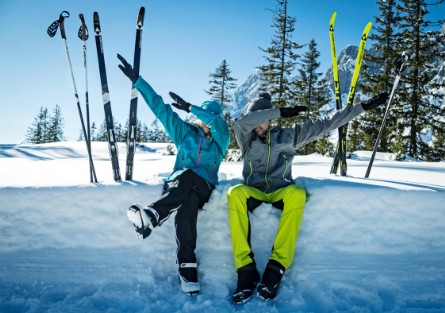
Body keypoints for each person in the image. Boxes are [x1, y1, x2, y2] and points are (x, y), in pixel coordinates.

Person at [227, 91, 389, 303]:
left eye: (262, 120)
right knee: (235, 193)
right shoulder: (245, 136)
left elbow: (326, 123)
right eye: (255, 119)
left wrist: (361, 108)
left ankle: (276, 268)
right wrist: (280, 112)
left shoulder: (289, 135)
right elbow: (241, 122)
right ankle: (246, 270)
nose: (257, 125)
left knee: (297, 193)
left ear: (270, 121)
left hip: (280, 189)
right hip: (254, 190)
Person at [117, 54, 230, 295]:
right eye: (204, 119)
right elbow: (159, 107)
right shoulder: (185, 133)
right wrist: (138, 81)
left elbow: (220, 126)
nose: (208, 124)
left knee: (191, 178)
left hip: (204, 188)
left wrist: (190, 107)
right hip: (179, 187)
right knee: (185, 209)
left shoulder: (220, 142)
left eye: (212, 119)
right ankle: (188, 275)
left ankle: (152, 216)